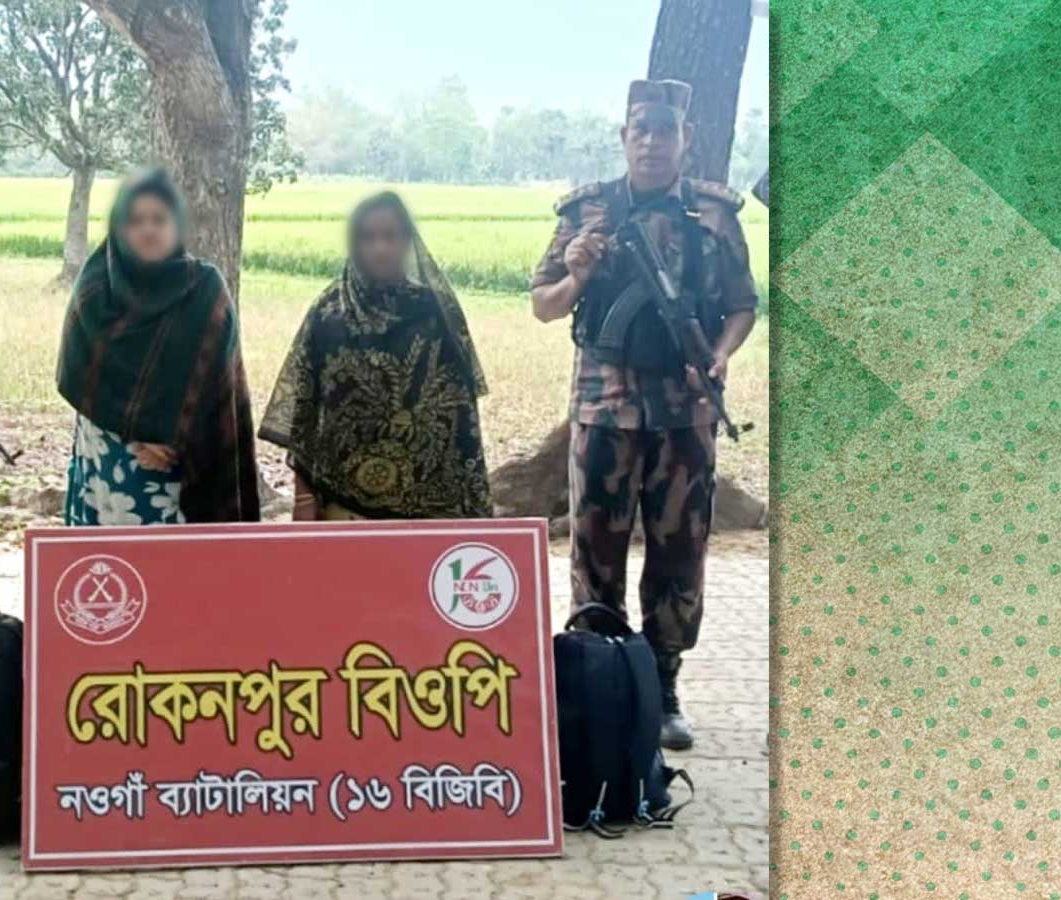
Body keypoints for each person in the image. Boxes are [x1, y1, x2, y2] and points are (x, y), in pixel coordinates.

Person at [529, 79, 759, 751]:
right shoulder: (587, 212)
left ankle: (662, 686)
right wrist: (577, 273)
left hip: (684, 415)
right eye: (641, 130)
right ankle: (599, 684)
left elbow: (743, 304)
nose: (652, 142)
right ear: (624, 138)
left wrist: (719, 355)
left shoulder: (713, 215)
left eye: (665, 130)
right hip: (603, 411)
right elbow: (543, 306)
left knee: (679, 553)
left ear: (686, 139)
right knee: (594, 551)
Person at [260, 192, 491, 520]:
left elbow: (462, 417)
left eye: (390, 236)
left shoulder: (436, 313)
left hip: (427, 510)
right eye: (368, 238)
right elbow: (305, 415)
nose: (380, 247)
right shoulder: (329, 313)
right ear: (354, 245)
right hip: (342, 506)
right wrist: (304, 500)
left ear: (407, 240)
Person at [56, 168, 260, 525]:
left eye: (159, 219)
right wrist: (136, 431)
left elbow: (220, 386)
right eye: (135, 221)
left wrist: (174, 438)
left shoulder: (206, 289)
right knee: (109, 557)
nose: (148, 230)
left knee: (172, 557)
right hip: (107, 456)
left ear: (177, 225)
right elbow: (80, 370)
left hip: (180, 463)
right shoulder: (95, 287)